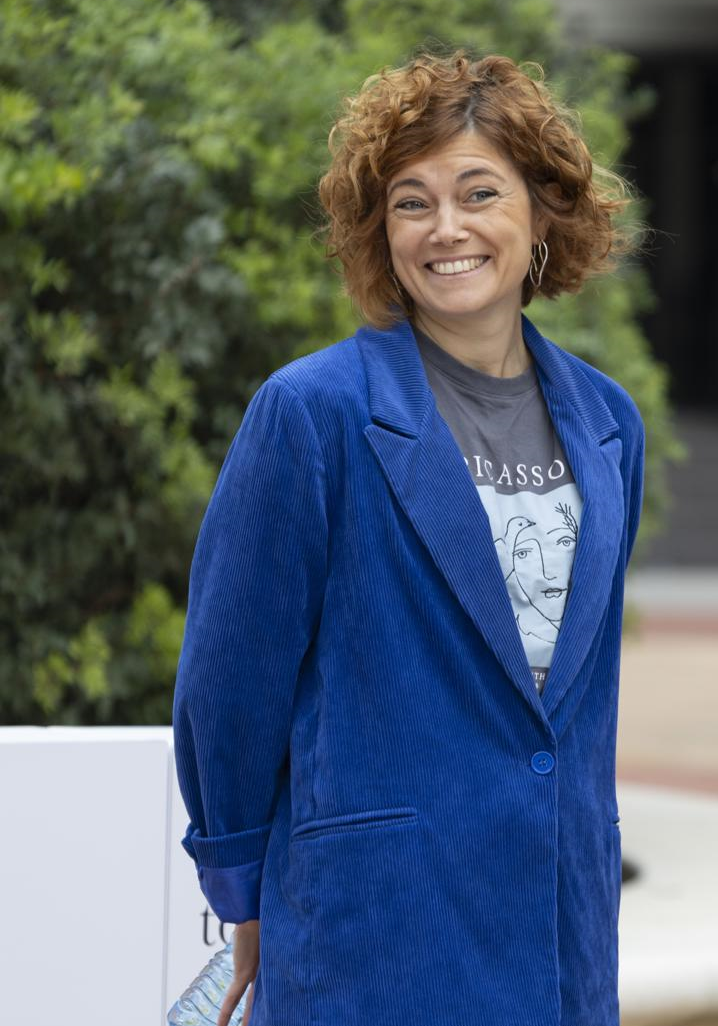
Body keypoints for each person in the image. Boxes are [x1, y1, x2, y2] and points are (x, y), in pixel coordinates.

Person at [171, 51, 646, 1026]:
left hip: (560, 919)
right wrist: (239, 887)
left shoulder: (609, 423)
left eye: (480, 192)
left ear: (544, 213)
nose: (447, 229)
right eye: (411, 202)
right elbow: (230, 679)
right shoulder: (312, 414)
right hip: (375, 927)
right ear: (378, 230)